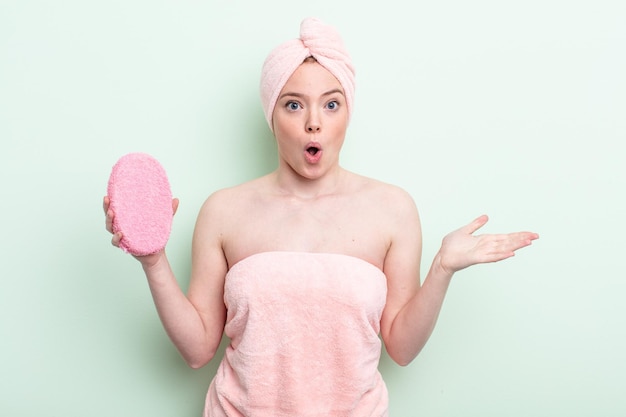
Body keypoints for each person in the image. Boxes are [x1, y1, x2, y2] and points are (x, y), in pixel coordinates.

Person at [103, 17, 538, 417]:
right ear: (271, 116)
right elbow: (198, 350)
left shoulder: (393, 209)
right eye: (294, 105)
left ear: (348, 112)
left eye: (331, 105)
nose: (314, 123)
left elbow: (401, 348)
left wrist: (442, 269)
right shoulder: (223, 210)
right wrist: (154, 260)